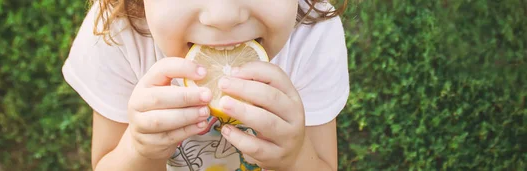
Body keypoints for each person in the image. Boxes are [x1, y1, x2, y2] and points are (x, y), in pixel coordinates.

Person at [61, 0, 350, 170]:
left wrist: (296, 157)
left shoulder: (312, 37)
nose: (223, 16)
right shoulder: (120, 35)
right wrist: (138, 151)